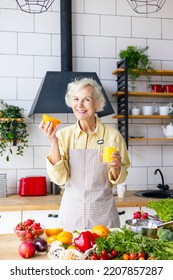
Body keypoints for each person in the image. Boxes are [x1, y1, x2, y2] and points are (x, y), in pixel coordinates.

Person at [39, 77, 130, 230]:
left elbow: (118, 180)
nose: (80, 105)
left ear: (97, 104)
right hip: (71, 216)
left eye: (86, 99)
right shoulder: (63, 136)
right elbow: (59, 178)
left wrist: (115, 166)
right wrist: (53, 142)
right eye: (76, 99)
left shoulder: (113, 136)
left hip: (103, 217)